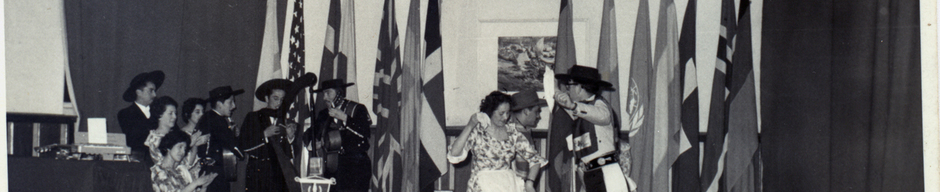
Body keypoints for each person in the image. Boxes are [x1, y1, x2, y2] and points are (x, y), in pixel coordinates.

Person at [448, 91, 548, 192]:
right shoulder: (478, 131)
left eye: (508, 112)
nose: (505, 117)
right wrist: (470, 125)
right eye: (501, 113)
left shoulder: (512, 132)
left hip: (508, 185)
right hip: (483, 185)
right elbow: (454, 154)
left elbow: (535, 160)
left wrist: (529, 183)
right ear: (490, 112)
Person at [553, 65, 632, 192]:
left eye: (569, 86)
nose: (567, 90)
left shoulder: (599, 105)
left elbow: (601, 116)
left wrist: (573, 106)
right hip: (588, 176)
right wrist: (555, 88)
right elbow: (564, 102)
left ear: (579, 87)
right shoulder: (578, 109)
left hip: (607, 174)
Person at [307, 78, 372, 192]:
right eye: (323, 93)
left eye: (328, 93)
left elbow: (365, 132)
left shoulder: (357, 109)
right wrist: (313, 142)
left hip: (356, 167)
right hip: (333, 168)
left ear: (339, 93)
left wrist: (345, 118)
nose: (324, 98)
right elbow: (310, 133)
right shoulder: (323, 114)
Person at [238, 79, 299, 191]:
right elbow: (243, 145)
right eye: (275, 98)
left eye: (281, 100)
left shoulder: (285, 121)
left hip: (280, 173)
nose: (279, 103)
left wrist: (291, 138)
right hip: (258, 173)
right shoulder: (253, 117)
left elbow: (292, 155)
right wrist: (264, 135)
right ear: (266, 98)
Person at [197, 86, 244, 192]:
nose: (233, 106)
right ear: (219, 104)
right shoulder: (218, 121)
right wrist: (240, 150)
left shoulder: (208, 117)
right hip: (215, 174)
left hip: (207, 171)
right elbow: (234, 147)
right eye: (230, 102)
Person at [119, 70, 165, 166]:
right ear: (139, 92)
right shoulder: (126, 114)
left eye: (155, 91)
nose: (154, 95)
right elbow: (135, 141)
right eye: (151, 90)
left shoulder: (160, 112)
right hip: (140, 164)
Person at [151, 129, 218, 192]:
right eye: (180, 147)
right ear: (169, 147)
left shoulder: (180, 171)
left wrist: (204, 186)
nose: (183, 152)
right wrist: (195, 183)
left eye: (184, 149)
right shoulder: (158, 171)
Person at [508, 90, 548, 189]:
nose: (538, 116)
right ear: (526, 111)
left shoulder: (522, 130)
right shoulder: (518, 131)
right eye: (536, 111)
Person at [144, 96, 200, 167]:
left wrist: (194, 144)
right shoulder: (154, 139)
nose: (174, 117)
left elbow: (189, 163)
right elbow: (163, 167)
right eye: (170, 113)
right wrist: (191, 144)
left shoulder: (176, 134)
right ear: (159, 115)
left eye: (175, 113)